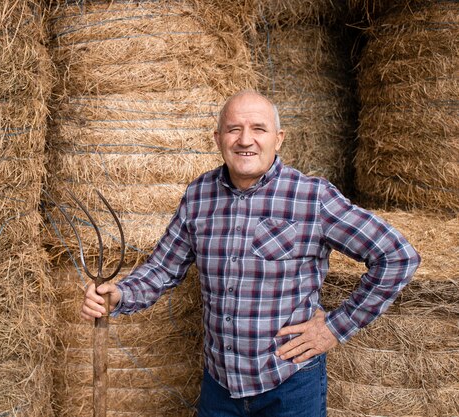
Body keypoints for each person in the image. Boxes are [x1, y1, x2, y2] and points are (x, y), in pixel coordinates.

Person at [80, 90, 420, 417]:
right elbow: (163, 268)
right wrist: (120, 294)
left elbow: (397, 256)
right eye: (234, 129)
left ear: (279, 138)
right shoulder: (199, 195)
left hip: (289, 385)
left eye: (258, 128)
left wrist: (334, 327)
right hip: (219, 387)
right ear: (218, 138)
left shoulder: (311, 197)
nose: (245, 140)